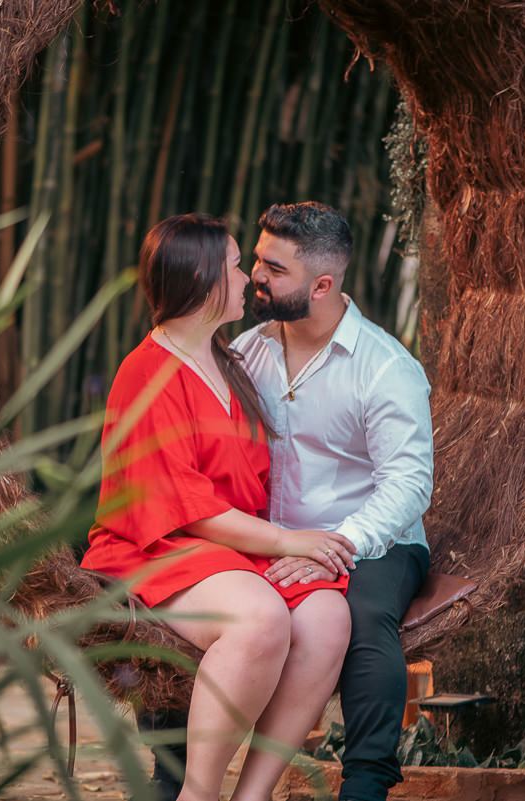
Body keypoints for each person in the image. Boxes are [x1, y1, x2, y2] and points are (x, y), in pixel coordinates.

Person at [80, 213, 357, 801]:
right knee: (258, 619)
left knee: (328, 619)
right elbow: (187, 508)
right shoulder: (146, 373)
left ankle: (252, 794)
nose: (249, 277)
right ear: (202, 279)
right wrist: (290, 541)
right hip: (157, 546)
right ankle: (199, 794)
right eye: (235, 266)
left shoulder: (230, 361)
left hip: (229, 549)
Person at [235, 201, 433, 801]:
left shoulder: (385, 367)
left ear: (322, 286)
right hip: (269, 537)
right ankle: (171, 778)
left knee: (366, 619)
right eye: (257, 259)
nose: (254, 275)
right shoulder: (245, 352)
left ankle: (365, 786)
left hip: (374, 539)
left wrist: (338, 545)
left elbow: (408, 483)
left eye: (274, 269)